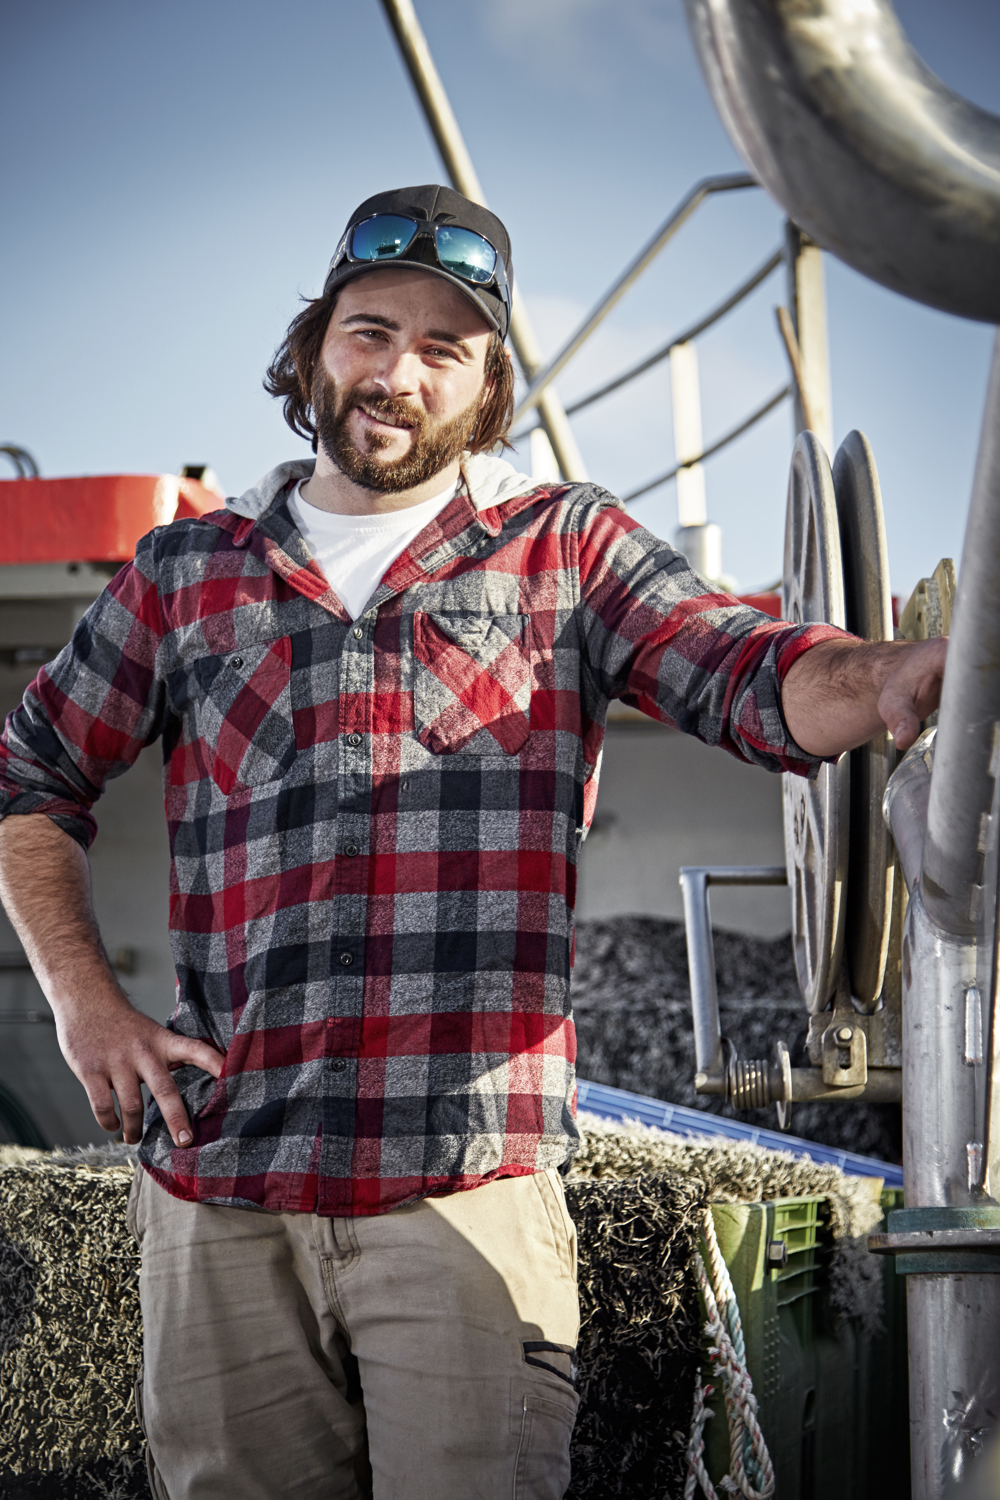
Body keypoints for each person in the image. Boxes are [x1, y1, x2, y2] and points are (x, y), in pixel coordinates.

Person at [0, 184, 945, 1500]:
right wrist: (84, 1004)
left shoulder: (566, 553)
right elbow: (29, 775)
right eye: (371, 330)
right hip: (218, 1192)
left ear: (489, 384)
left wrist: (894, 676)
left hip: (462, 1191)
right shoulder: (184, 576)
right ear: (313, 346)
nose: (399, 371)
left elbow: (755, 673)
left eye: (447, 349)